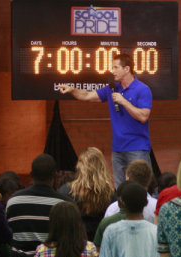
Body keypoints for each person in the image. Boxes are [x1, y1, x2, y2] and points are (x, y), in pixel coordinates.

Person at [56, 54, 152, 187]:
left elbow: (143, 116)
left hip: (137, 148)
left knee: (139, 188)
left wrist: (123, 102)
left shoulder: (142, 89)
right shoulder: (112, 88)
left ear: (127, 69)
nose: (112, 71)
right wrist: (72, 90)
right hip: (117, 149)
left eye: (115, 67)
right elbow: (88, 96)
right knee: (119, 189)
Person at [59, 147, 115, 241]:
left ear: (79, 167)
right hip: (101, 245)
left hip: (74, 245)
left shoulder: (65, 191)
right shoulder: (111, 195)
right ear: (102, 167)